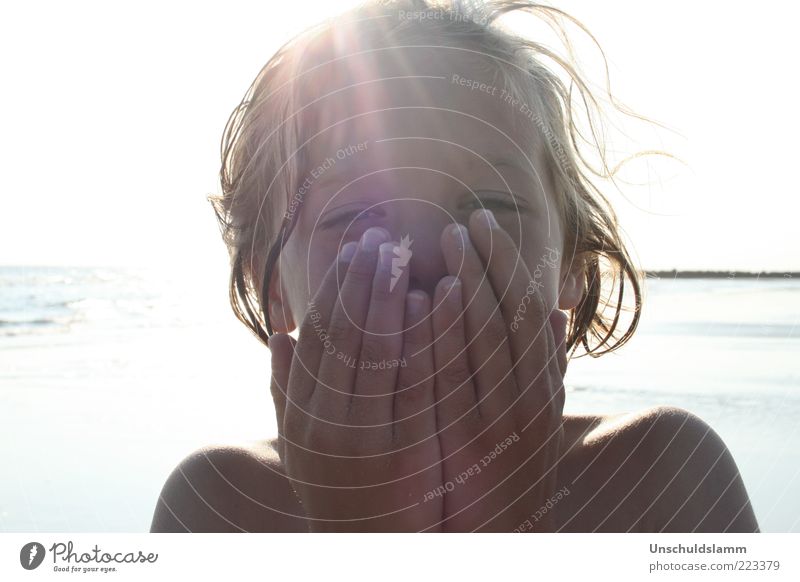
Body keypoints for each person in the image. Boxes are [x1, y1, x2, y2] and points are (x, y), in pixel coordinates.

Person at [151, 0, 758, 532]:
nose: (419, 255)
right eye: (356, 214)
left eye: (490, 206)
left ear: (571, 261)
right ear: (271, 285)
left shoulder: (661, 476)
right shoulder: (218, 507)